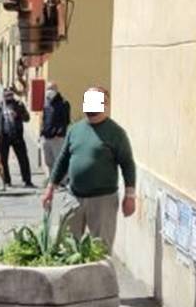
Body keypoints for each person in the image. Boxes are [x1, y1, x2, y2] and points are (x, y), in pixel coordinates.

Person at [41, 86, 136, 249]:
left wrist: (130, 196)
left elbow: (127, 164)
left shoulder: (116, 133)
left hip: (103, 201)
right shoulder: (75, 130)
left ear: (105, 104)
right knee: (66, 247)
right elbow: (63, 160)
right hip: (74, 197)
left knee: (100, 249)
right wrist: (50, 188)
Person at [0, 86, 34, 188]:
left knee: (23, 158)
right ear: (3, 96)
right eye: (7, 96)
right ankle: (7, 181)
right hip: (3, 136)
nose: (9, 97)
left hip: (17, 135)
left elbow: (27, 118)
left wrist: (18, 114)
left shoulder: (19, 105)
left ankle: (27, 180)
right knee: (3, 160)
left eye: (11, 95)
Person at [39, 81, 71, 174]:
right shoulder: (46, 103)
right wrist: (41, 133)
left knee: (59, 160)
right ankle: (51, 180)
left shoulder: (63, 103)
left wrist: (59, 133)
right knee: (48, 161)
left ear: (56, 90)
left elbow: (66, 120)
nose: (49, 91)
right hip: (46, 136)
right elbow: (44, 118)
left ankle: (63, 181)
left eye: (52, 89)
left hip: (57, 138)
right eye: (48, 89)